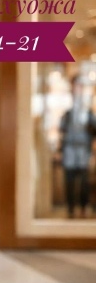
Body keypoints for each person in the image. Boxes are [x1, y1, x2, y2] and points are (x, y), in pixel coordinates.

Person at [59, 76, 96, 218]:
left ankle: (83, 208)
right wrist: (60, 150)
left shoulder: (88, 113)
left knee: (84, 181)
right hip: (69, 151)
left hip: (84, 151)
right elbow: (62, 131)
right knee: (69, 180)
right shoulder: (68, 114)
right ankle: (71, 209)